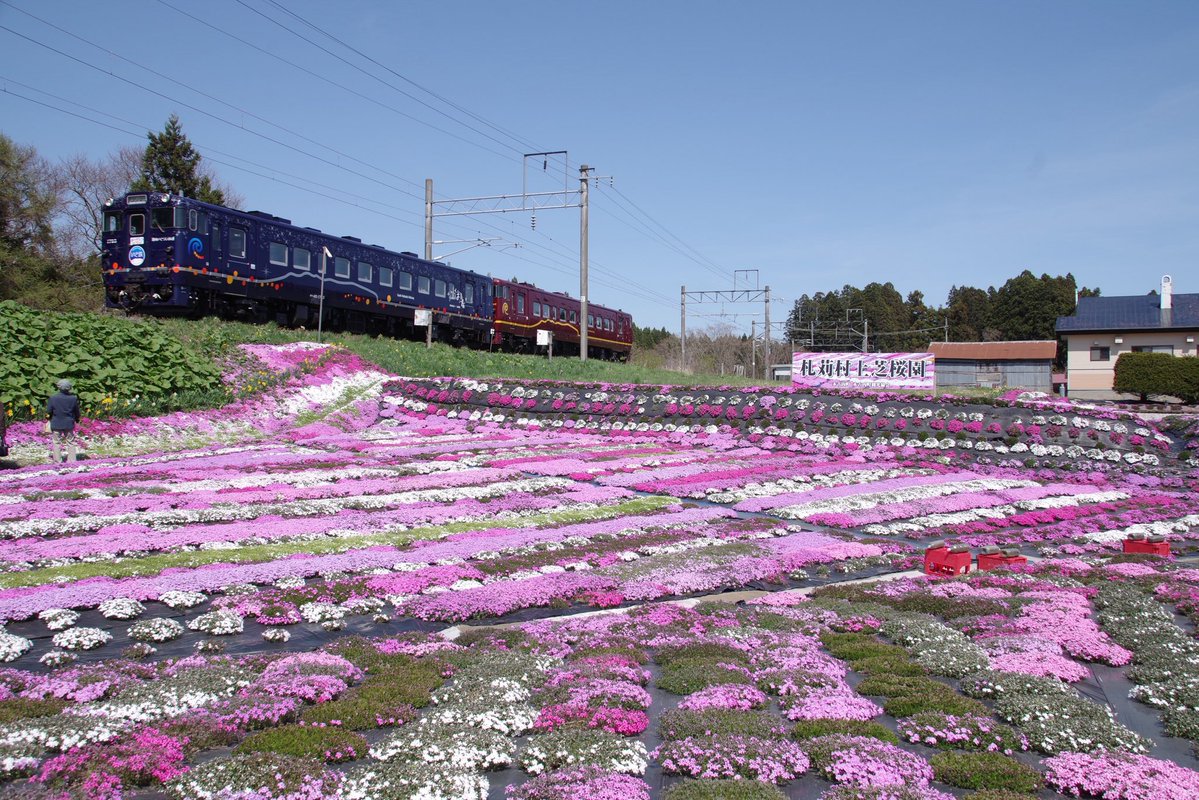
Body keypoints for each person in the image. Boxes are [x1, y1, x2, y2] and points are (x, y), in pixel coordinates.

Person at [46, 379, 80, 463]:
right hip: (69, 423)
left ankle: (58, 461)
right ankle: (72, 460)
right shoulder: (73, 398)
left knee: (56, 443)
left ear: (59, 387)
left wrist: (48, 419)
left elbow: (49, 411)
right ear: (69, 388)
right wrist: (77, 419)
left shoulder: (53, 398)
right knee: (70, 442)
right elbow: (76, 411)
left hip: (56, 423)